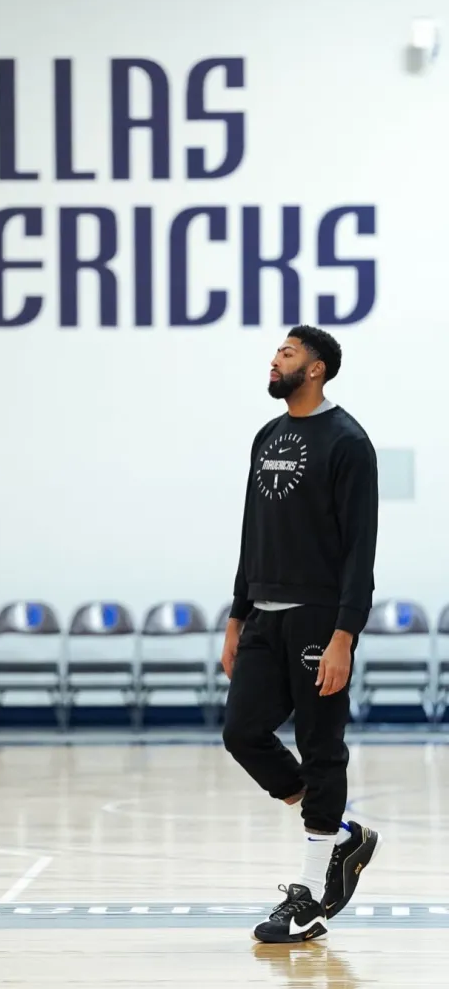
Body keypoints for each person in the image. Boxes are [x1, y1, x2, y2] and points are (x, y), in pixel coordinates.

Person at [221, 325, 381, 944]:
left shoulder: (348, 442)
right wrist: (237, 617)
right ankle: (341, 837)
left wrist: (345, 633)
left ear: (315, 370)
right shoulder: (268, 437)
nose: (275, 360)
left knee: (321, 747)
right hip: (264, 614)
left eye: (286, 353)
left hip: (319, 618)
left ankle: (312, 897)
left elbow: (360, 551)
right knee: (242, 732)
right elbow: (250, 533)